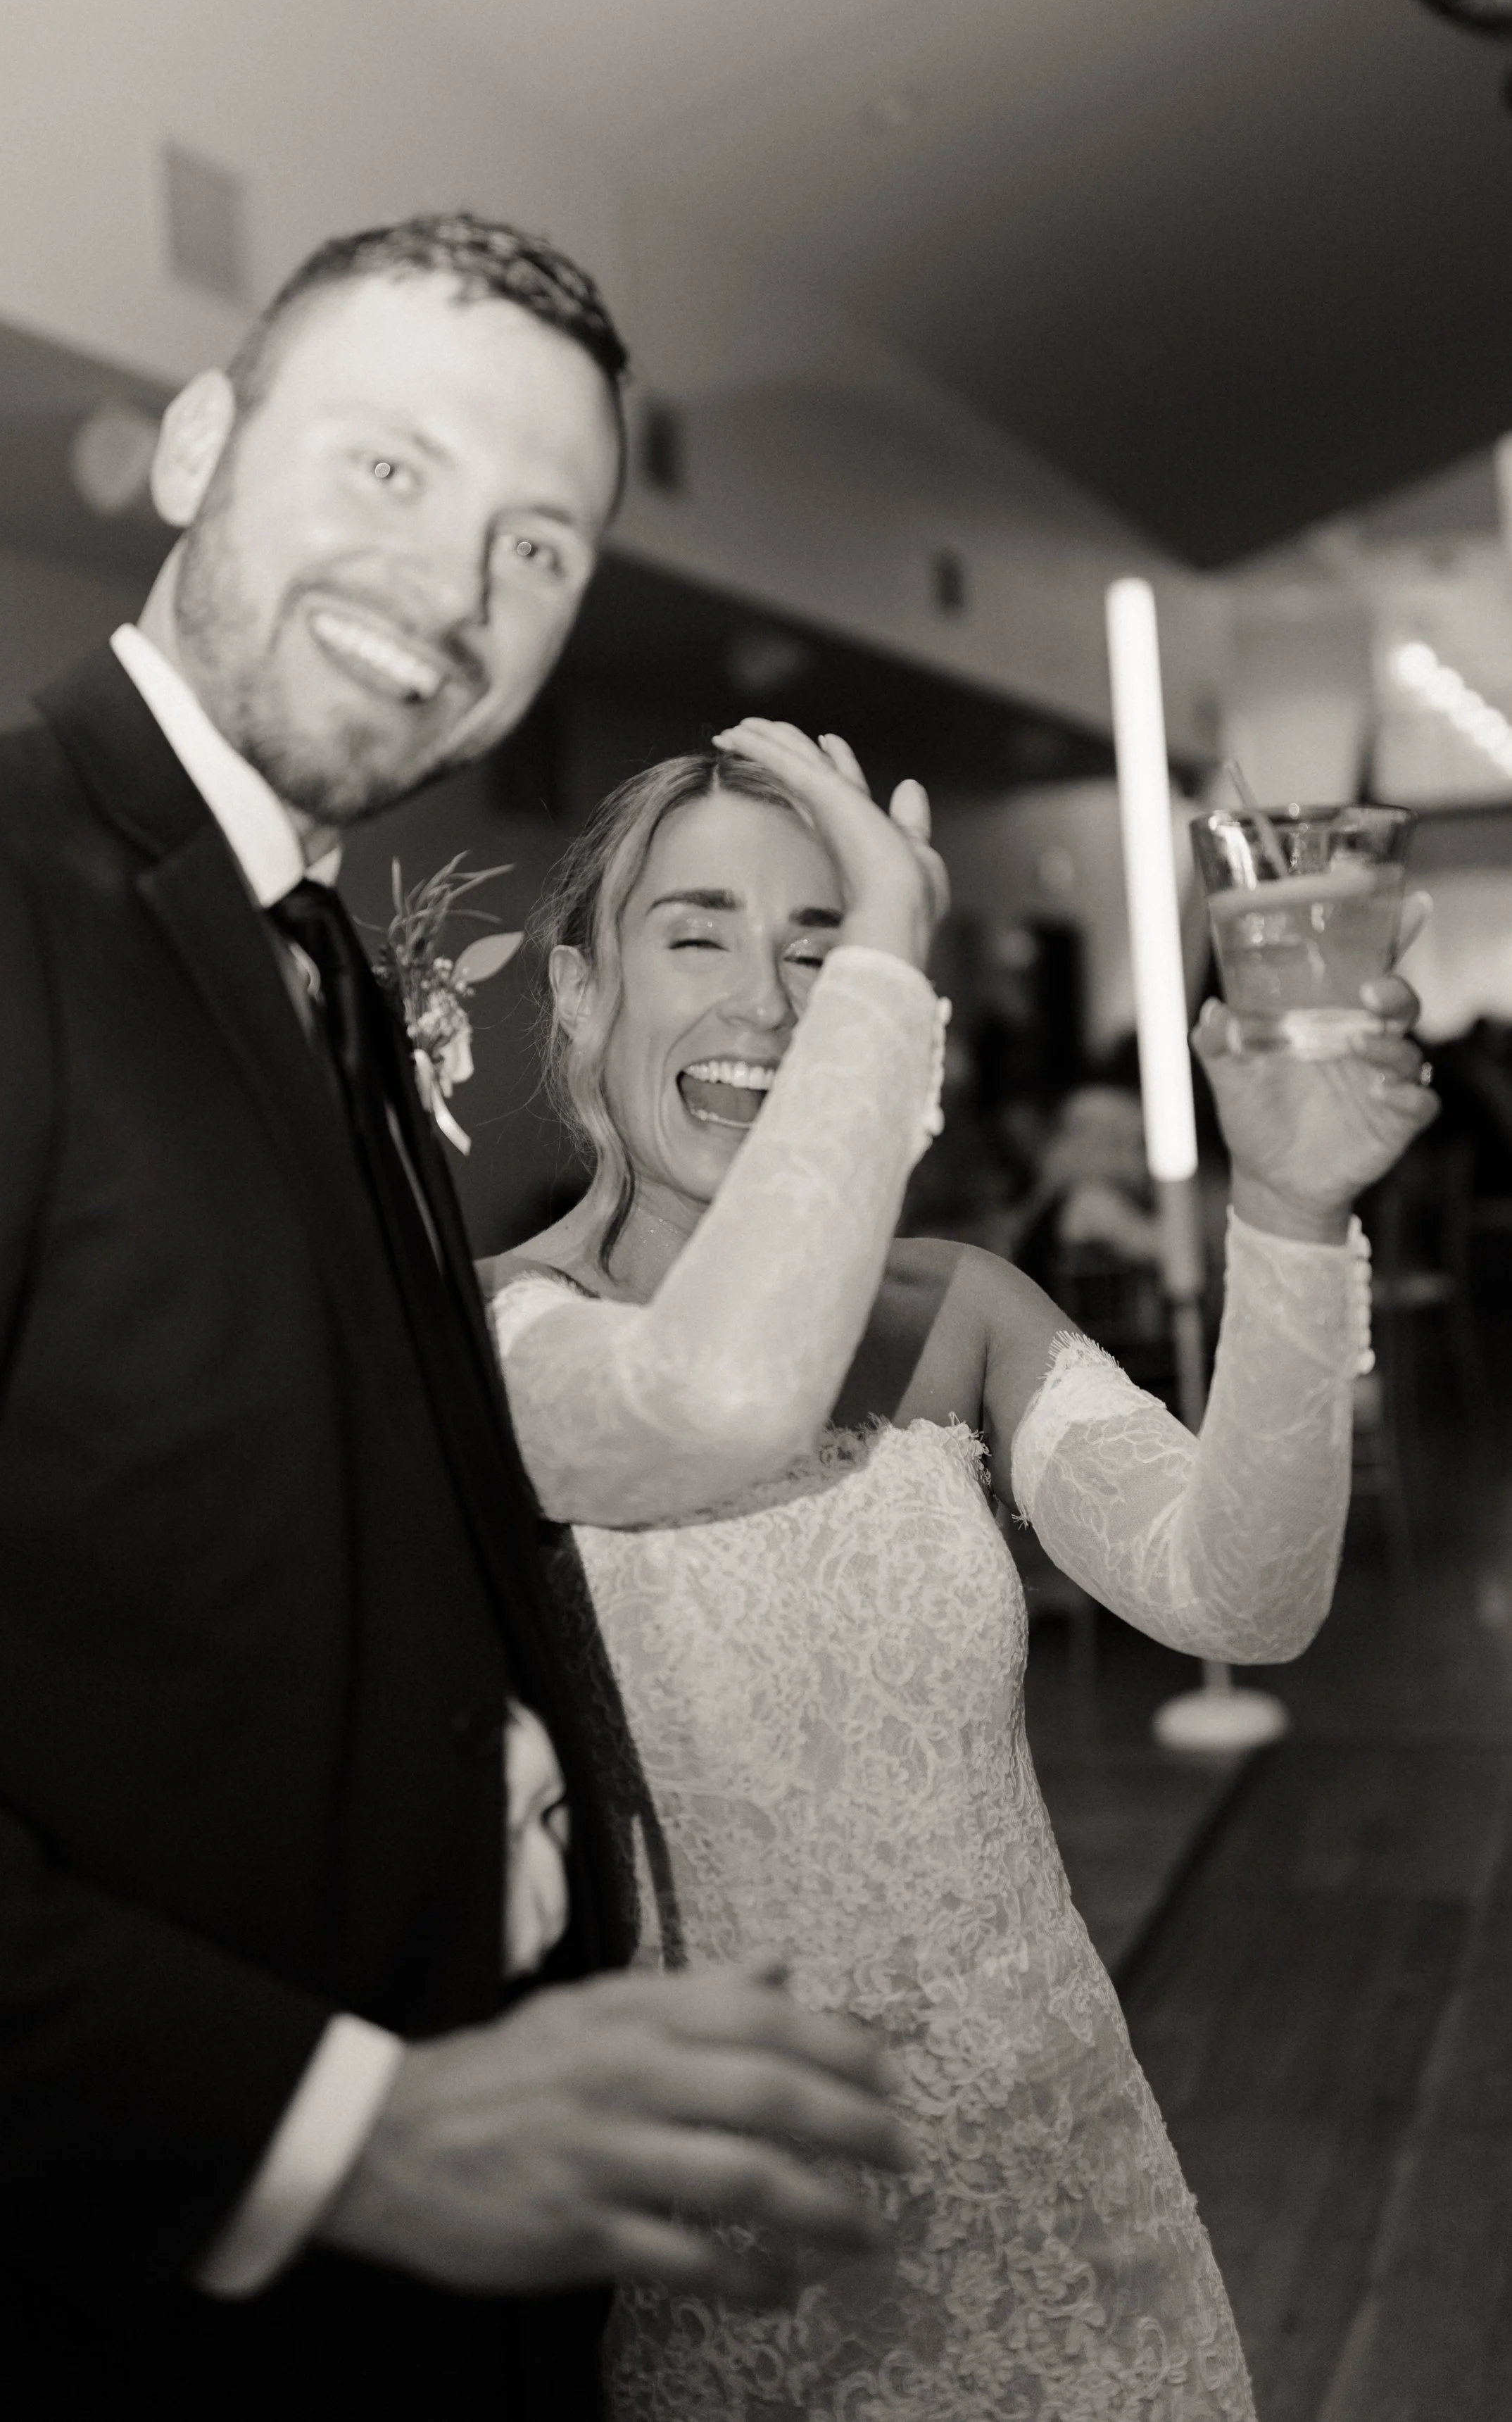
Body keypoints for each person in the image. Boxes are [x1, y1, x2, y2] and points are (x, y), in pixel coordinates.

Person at [0, 220, 909, 2422]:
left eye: (534, 541)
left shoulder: (321, 965)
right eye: (385, 468)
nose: (454, 589)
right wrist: (344, 2131)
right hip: (111, 2310)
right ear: (197, 443)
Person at [484, 724, 1437, 2419]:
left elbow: (1241, 1593)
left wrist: (1286, 1204)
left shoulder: (958, 1309)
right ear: (575, 991)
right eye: (695, 933)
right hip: (728, 2245)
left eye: (818, 943)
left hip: (1062, 2197)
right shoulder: (496, 1343)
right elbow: (704, 1397)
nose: (767, 1008)